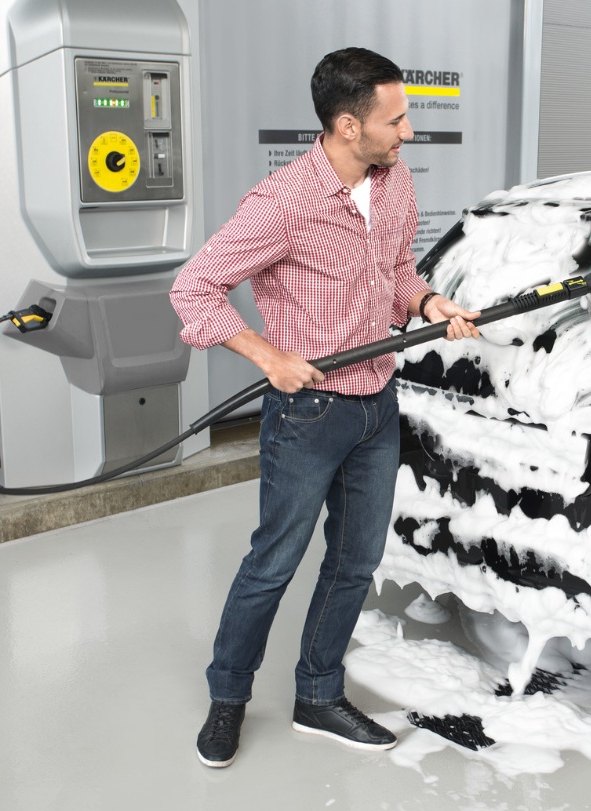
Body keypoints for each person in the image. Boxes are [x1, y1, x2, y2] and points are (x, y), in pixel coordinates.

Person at [169, 46, 480, 768]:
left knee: (355, 561)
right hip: (309, 412)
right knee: (274, 562)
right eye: (395, 120)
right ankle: (228, 698)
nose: (407, 133)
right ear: (347, 125)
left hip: (377, 403)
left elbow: (395, 269)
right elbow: (193, 289)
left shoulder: (395, 182)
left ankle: (318, 694)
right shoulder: (283, 203)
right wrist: (267, 356)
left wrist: (429, 303)